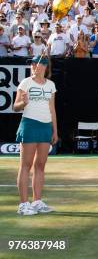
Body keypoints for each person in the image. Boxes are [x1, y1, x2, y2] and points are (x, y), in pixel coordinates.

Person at [13, 56, 57, 215]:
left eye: (36, 63)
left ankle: (37, 202)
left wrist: (55, 130)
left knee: (40, 166)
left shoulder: (51, 85)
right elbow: (15, 106)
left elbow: (52, 109)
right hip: (30, 125)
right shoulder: (26, 83)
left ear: (44, 66)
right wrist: (23, 103)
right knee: (26, 165)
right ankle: (23, 205)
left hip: (46, 127)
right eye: (32, 64)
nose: (33, 66)